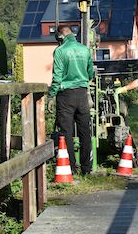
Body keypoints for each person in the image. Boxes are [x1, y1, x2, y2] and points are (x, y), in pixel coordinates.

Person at [49, 25, 94, 175]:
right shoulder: (85, 49)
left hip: (66, 95)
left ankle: (71, 168)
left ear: (60, 37)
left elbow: (57, 77)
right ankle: (87, 168)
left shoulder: (60, 51)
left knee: (66, 132)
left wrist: (51, 96)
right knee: (85, 132)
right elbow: (90, 73)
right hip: (82, 94)